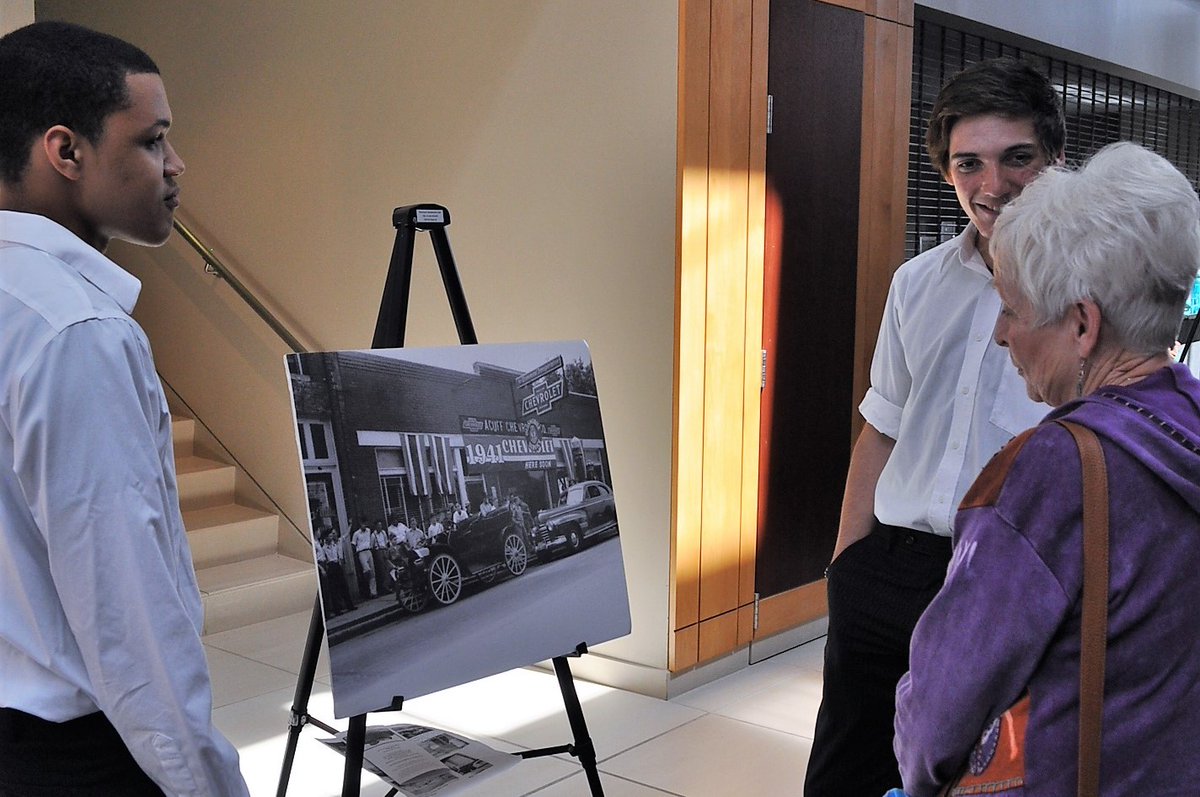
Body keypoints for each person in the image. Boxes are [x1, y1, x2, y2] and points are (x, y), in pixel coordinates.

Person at [895, 142, 1200, 795]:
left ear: (1083, 324)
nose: (1002, 333)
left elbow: (942, 710)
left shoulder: (1054, 469)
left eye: (1011, 308)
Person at [805, 57, 1065, 796]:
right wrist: (845, 566)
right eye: (968, 163)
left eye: (1017, 158)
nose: (992, 184)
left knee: (971, 782)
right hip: (886, 567)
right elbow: (882, 427)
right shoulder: (916, 282)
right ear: (946, 171)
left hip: (1005, 577)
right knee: (844, 775)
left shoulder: (1088, 296)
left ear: (1053, 158)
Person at [0, 21, 249, 795]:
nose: (176, 164)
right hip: (76, 757)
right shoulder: (77, 332)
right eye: (152, 140)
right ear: (66, 151)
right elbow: (129, 621)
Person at [350, 517, 376, 598]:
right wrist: (356, 553)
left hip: (368, 551)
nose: (364, 525)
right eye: (363, 524)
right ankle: (366, 587)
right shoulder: (356, 534)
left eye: (365, 524)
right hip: (361, 552)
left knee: (372, 572)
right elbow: (353, 544)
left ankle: (373, 592)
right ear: (360, 524)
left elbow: (371, 539)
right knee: (367, 570)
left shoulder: (368, 531)